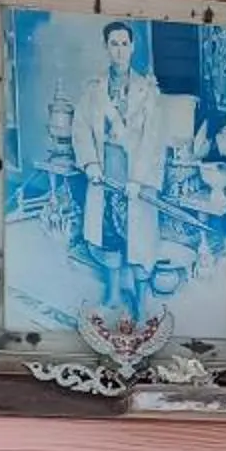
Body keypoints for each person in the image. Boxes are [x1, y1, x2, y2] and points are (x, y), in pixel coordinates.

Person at [71, 21, 164, 322]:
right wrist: (91, 164)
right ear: (106, 47)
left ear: (133, 47)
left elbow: (152, 139)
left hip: (136, 174)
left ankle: (141, 302)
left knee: (138, 239)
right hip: (105, 172)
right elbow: (81, 128)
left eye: (125, 44)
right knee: (109, 233)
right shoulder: (94, 89)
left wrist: (137, 179)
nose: (120, 51)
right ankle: (112, 296)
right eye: (114, 44)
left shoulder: (147, 90)